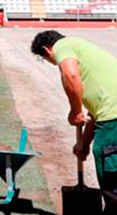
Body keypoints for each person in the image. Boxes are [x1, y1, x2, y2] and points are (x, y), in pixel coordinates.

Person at [31, 30, 117, 204]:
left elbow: (70, 75)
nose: (55, 63)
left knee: (109, 167)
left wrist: (76, 111)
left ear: (47, 50)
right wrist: (84, 143)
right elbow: (95, 115)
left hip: (112, 117)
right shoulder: (82, 49)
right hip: (110, 115)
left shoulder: (62, 46)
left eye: (49, 60)